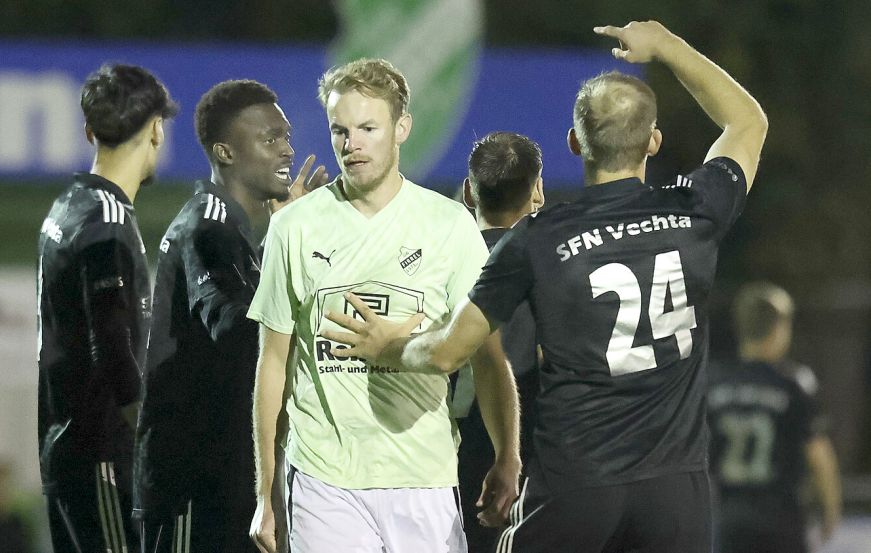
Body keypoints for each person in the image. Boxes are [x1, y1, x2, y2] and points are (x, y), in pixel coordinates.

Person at [322, 21, 768, 553]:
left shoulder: (537, 239)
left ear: (575, 143)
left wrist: (388, 345)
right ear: (653, 141)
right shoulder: (694, 210)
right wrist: (667, 45)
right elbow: (747, 121)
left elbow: (447, 354)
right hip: (677, 493)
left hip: (574, 488)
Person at [248, 58, 521, 553]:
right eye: (340, 130)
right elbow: (272, 363)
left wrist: (508, 455)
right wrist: (265, 492)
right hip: (323, 479)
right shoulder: (293, 227)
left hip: (425, 478)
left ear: (401, 128)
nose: (351, 144)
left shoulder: (450, 226)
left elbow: (488, 356)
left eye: (368, 128)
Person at [133, 79, 326, 553]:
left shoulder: (236, 232)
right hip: (193, 487)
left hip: (227, 479)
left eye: (285, 136)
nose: (286, 150)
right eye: (269, 139)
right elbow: (239, 331)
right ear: (225, 152)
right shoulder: (207, 228)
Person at [37, 63, 177, 553]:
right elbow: (114, 348)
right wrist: (158, 439)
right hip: (101, 454)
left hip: (67, 446)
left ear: (89, 130)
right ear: (155, 129)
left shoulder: (68, 207)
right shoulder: (108, 220)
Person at [455, 131, 543, 552]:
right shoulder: (555, 266)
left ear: (469, 192)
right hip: (531, 450)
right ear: (537, 191)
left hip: (438, 448)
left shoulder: (434, 259)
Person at [707, 282, 842, 553]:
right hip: (782, 519)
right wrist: (831, 510)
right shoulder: (793, 383)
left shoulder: (713, 383)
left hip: (730, 519)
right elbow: (818, 453)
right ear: (779, 328)